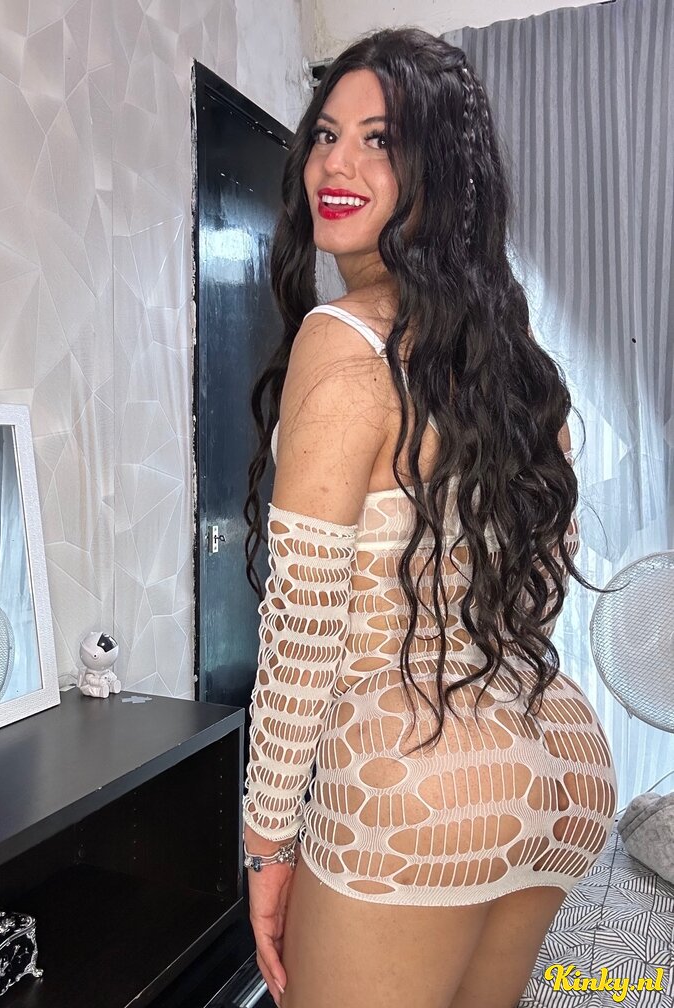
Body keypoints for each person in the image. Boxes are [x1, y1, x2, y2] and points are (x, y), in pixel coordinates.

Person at [240, 27, 617, 1008]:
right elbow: (533, 593)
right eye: (327, 134)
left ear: (440, 174)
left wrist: (266, 844)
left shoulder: (339, 337)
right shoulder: (516, 364)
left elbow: (304, 629)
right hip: (560, 763)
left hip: (414, 775)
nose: (337, 164)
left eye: (381, 140)